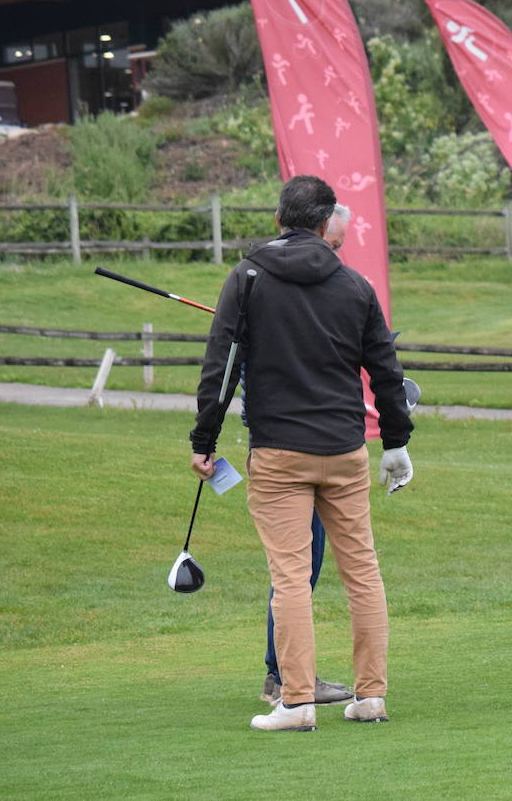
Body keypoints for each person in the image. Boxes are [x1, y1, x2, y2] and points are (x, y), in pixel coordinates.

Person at [191, 177, 414, 731]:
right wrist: (397, 442)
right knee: (362, 573)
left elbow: (221, 369)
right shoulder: (356, 286)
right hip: (343, 452)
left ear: (279, 219)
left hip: (279, 453)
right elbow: (385, 373)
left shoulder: (246, 279)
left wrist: (204, 442)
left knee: (290, 576)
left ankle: (296, 702)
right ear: (324, 224)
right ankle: (371, 697)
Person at [257, 202, 354, 707]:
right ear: (318, 230)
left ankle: (287, 678)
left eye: (336, 250)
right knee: (297, 570)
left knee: (307, 567)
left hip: (328, 446)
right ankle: (287, 680)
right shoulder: (260, 283)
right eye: (331, 244)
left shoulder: (334, 290)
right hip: (283, 449)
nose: (330, 257)